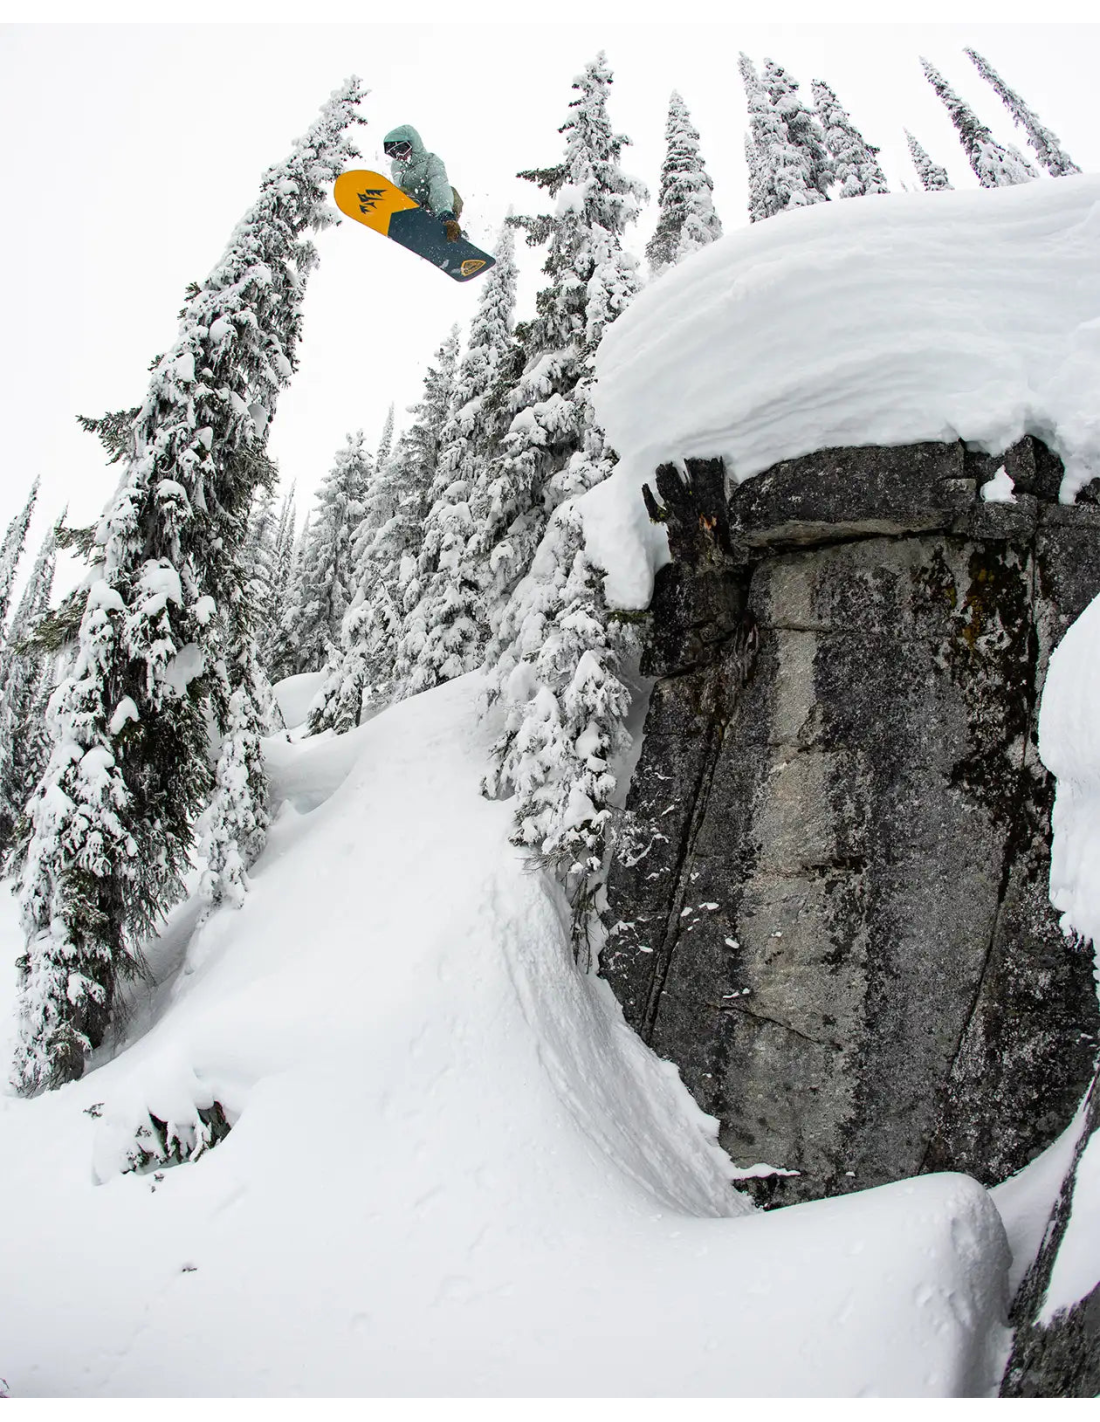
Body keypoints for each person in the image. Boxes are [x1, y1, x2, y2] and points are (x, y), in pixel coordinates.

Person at [382, 125, 463, 242]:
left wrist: (446, 215)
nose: (399, 156)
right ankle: (411, 215)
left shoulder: (431, 161)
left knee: (452, 193)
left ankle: (450, 227)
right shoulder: (397, 166)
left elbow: (439, 186)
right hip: (412, 206)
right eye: (393, 153)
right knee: (401, 190)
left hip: (435, 209)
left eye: (401, 149)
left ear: (413, 144)